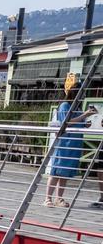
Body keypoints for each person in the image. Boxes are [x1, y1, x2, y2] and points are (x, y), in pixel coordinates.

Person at [45, 73, 97, 207]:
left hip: (74, 143)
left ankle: (59, 198)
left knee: (65, 172)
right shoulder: (65, 106)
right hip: (65, 143)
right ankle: (47, 198)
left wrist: (85, 123)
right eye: (80, 94)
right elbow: (66, 122)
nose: (82, 96)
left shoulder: (77, 107)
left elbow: (76, 122)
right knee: (56, 170)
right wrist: (85, 115)